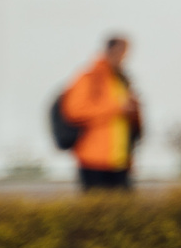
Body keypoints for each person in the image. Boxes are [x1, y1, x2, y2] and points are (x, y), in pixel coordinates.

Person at [60, 34, 143, 190]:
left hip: (120, 160)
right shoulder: (89, 77)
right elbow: (74, 111)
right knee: (97, 210)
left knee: (124, 211)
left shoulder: (121, 80)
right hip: (94, 161)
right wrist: (117, 108)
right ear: (109, 51)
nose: (123, 57)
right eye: (121, 52)